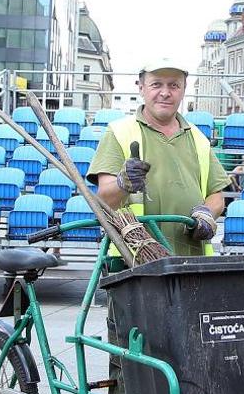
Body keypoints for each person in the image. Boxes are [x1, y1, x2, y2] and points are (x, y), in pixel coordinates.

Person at [89, 58, 229, 255]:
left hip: (191, 259)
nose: (165, 93)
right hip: (135, 258)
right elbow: (104, 201)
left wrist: (207, 213)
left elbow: (216, 196)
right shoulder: (119, 132)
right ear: (141, 87)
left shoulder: (198, 138)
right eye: (156, 84)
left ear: (183, 89)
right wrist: (123, 183)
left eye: (174, 85)